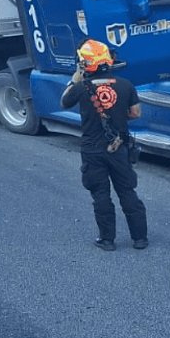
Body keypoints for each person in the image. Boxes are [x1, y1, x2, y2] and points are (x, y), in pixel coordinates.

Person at [60, 39, 148, 251]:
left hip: (92, 149)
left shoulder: (81, 87)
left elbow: (64, 101)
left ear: (85, 64)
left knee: (100, 194)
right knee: (127, 191)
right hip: (118, 147)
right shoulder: (126, 85)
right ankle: (140, 238)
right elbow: (135, 113)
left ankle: (107, 240)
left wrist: (75, 78)